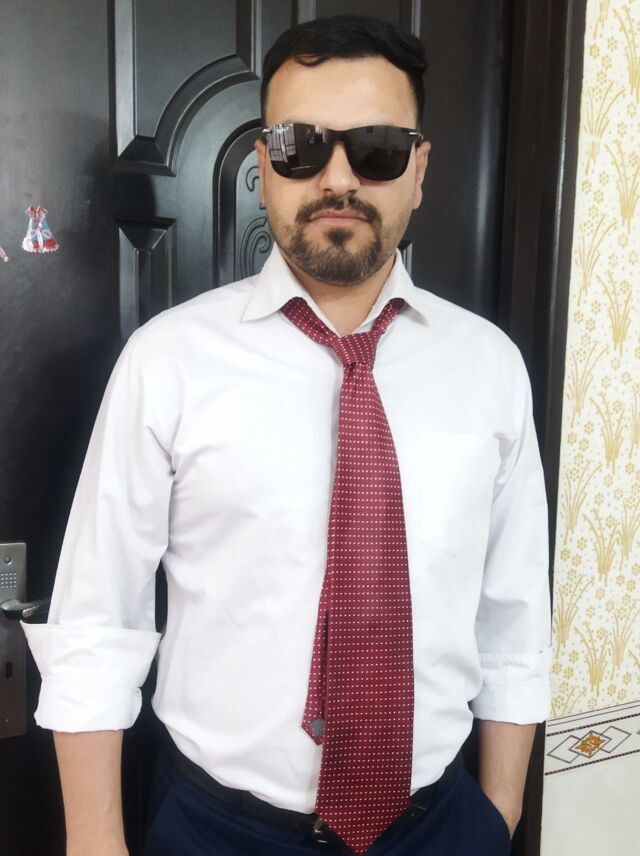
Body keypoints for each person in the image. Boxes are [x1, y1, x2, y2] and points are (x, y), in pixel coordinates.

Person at [22, 14, 551, 856]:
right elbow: (95, 624)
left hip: (443, 827)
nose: (338, 178)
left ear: (419, 171)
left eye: (376, 149)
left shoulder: (491, 368)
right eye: (301, 145)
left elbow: (514, 616)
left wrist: (499, 816)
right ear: (264, 166)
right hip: (219, 831)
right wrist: (94, 843)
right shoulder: (168, 362)